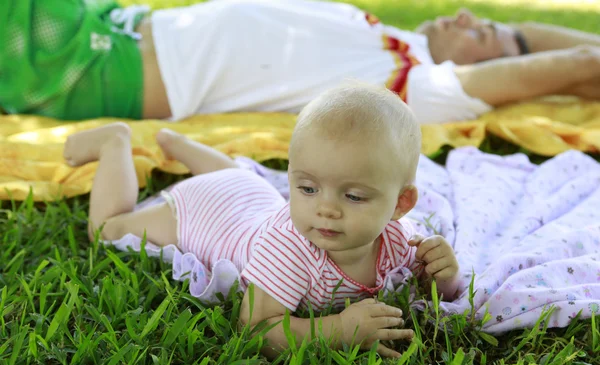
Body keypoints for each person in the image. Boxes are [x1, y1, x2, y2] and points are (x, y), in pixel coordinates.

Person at [62, 83, 460, 358]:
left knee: (240, 177)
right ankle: (114, 143)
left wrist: (443, 276)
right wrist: (338, 331)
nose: (325, 209)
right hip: (205, 212)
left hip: (247, 193)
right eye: (306, 188)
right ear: (291, 176)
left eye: (353, 196)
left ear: (399, 204)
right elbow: (255, 330)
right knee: (109, 229)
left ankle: (176, 144)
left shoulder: (397, 238)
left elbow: (439, 295)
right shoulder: (289, 250)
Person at [3, 0, 600, 125]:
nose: (468, 14)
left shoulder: (423, 87)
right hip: (108, 25)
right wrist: (512, 37)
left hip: (92, 66)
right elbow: (526, 38)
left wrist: (529, 53)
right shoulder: (399, 40)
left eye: (485, 32)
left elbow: (577, 62)